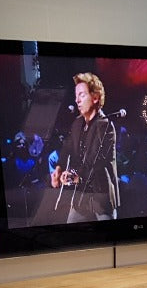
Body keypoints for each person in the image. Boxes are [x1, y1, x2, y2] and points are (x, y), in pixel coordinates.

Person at [51, 72, 120, 223]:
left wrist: (76, 176)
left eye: (81, 95)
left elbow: (96, 160)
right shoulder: (76, 123)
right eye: (76, 96)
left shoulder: (105, 125)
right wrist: (59, 168)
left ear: (95, 98)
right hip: (81, 195)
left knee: (109, 241)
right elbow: (67, 147)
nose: (77, 100)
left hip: (100, 195)